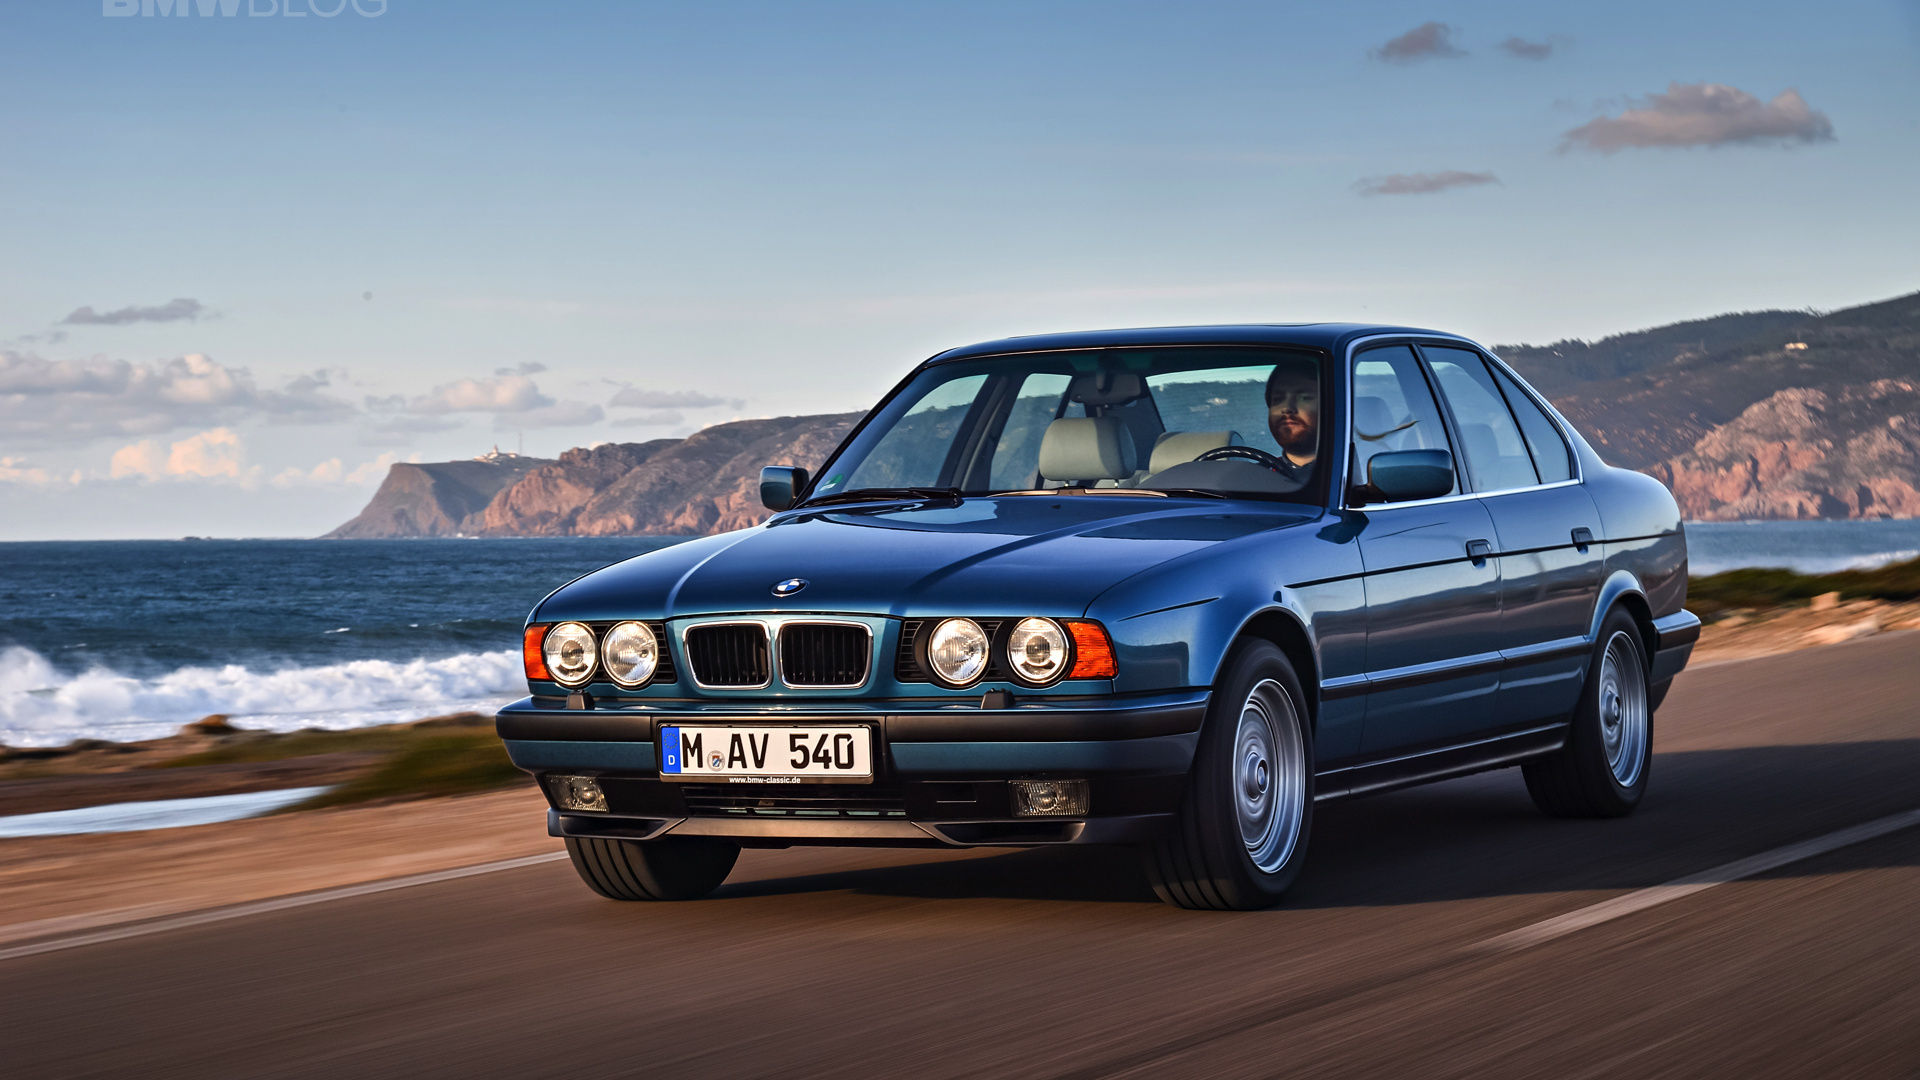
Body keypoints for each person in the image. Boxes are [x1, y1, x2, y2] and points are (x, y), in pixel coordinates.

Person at [1263, 358, 1320, 484]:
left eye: (1304, 398)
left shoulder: (1352, 476)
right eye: (1278, 399)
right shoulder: (1251, 478)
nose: (1287, 408)